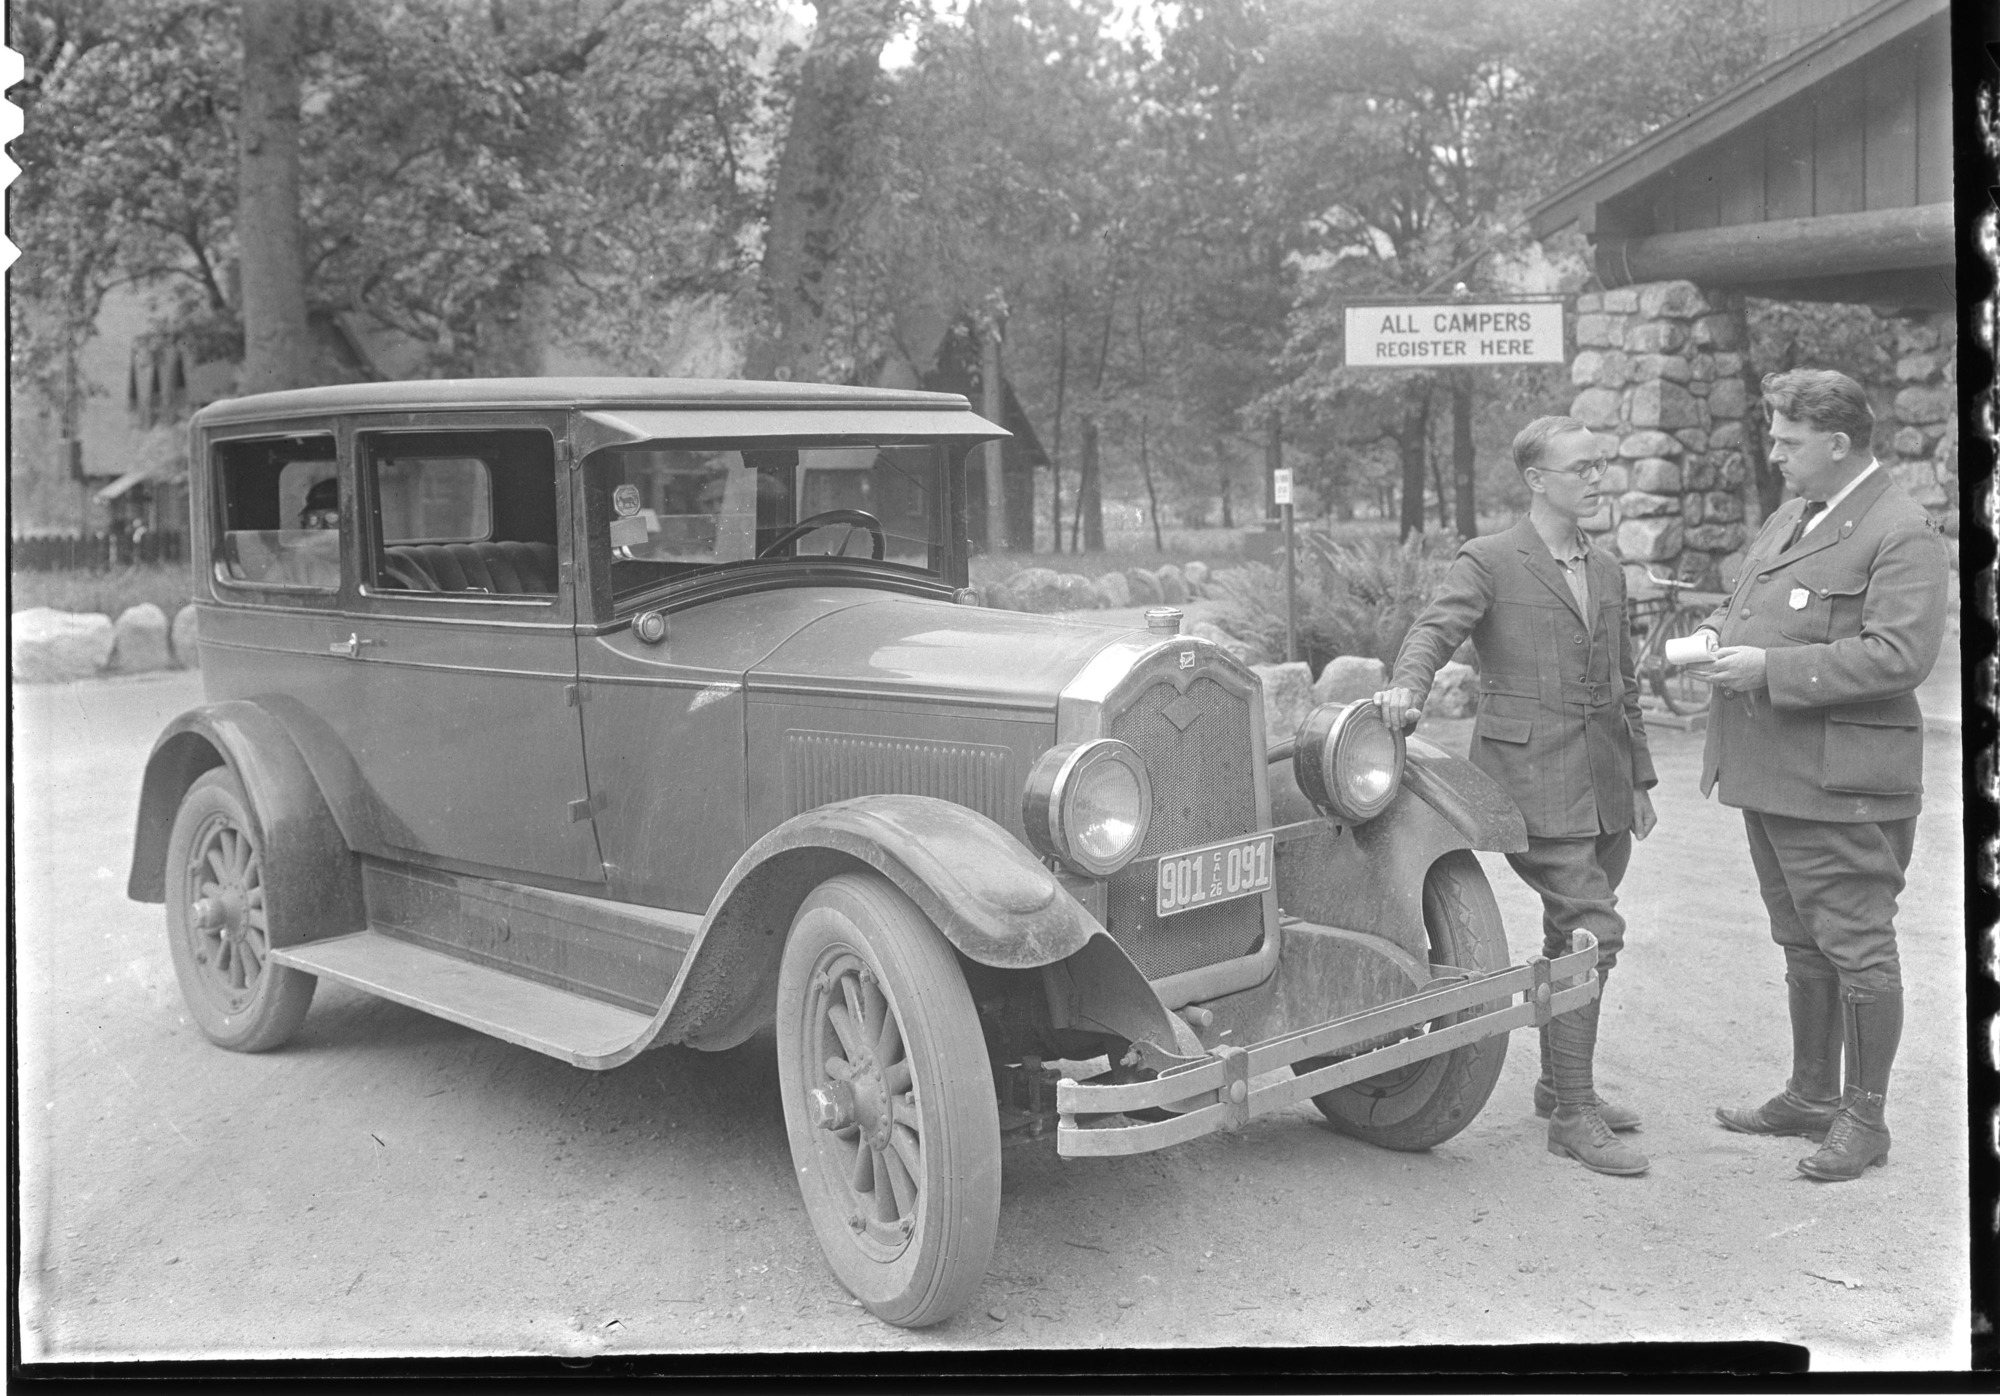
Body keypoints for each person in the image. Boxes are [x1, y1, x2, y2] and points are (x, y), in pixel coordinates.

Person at [1374, 415, 1656, 1177]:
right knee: (1596, 927)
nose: (1597, 479)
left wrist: (1640, 781)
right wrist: (1407, 686)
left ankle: (1556, 1080)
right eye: (1582, 468)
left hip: (1602, 784)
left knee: (1575, 934)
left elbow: (1623, 684)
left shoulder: (1607, 571)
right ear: (1537, 481)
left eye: (1601, 466)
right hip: (1531, 780)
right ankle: (1573, 1112)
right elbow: (1435, 630)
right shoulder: (1491, 559)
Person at [1697, 369, 1948, 1182]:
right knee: (1800, 938)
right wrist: (1717, 634)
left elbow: (1899, 655)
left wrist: (1768, 666)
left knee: (1856, 946)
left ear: (1838, 445)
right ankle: (1811, 1095)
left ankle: (1863, 1119)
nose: (1773, 454)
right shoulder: (1796, 514)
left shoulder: (1900, 529)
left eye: (1787, 440)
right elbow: (1758, 603)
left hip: (1841, 782)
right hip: (1772, 772)